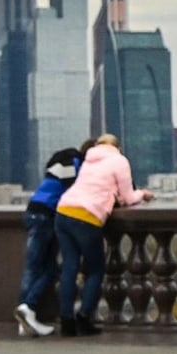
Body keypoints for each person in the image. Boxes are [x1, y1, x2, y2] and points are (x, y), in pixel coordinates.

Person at [54, 133, 154, 337]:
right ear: (117, 146)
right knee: (95, 270)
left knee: (70, 268)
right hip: (86, 217)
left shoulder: (89, 160)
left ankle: (66, 320)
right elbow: (128, 197)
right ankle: (84, 318)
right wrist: (143, 194)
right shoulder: (119, 161)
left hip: (63, 211)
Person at [14, 139, 95, 337]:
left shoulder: (63, 158)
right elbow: (74, 191)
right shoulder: (75, 163)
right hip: (47, 215)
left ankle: (25, 319)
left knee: (36, 267)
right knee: (45, 268)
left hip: (34, 211)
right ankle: (27, 307)